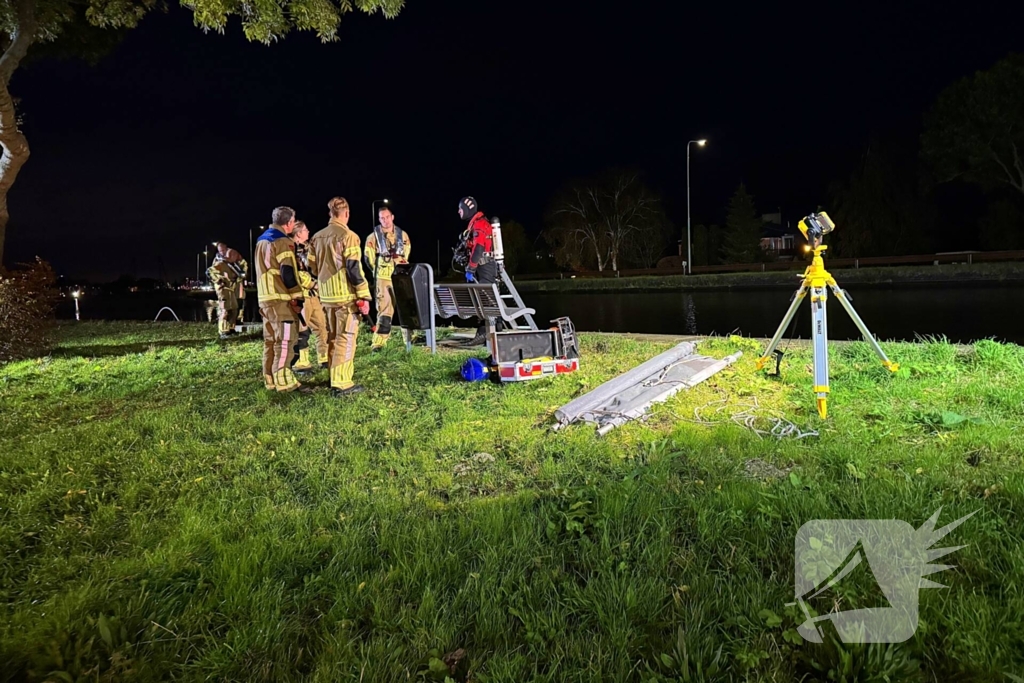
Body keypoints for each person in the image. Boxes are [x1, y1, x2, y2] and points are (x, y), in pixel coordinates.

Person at [308, 197, 372, 397]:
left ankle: (332, 376)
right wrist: (363, 295)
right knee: (347, 338)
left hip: (326, 297)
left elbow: (311, 268)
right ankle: (342, 383)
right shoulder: (349, 236)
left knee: (333, 338)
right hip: (346, 296)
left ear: (330, 214)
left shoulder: (316, 237)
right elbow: (354, 269)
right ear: (346, 213)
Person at [255, 206, 309, 393]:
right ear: (288, 223)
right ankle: (284, 381)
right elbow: (287, 272)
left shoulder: (262, 240)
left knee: (270, 340)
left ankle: (269, 378)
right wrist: (297, 296)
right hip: (280, 299)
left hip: (264, 298)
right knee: (286, 340)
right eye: (293, 221)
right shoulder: (283, 242)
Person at [364, 204, 411, 352]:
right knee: (384, 310)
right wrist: (378, 272)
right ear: (379, 219)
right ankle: (379, 342)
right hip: (383, 277)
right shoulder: (372, 237)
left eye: (387, 217)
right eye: (381, 218)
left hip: (400, 276)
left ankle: (410, 339)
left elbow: (407, 252)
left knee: (406, 308)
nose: (385, 220)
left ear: (392, 217)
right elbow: (368, 258)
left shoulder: (403, 235)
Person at [458, 196, 501, 343]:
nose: (458, 211)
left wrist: (471, 267)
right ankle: (493, 332)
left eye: (460, 209)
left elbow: (479, 247)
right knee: (484, 299)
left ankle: (486, 333)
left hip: (485, 265)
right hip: (482, 266)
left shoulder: (480, 224)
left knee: (486, 299)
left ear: (467, 209)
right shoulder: (475, 224)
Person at [292, 221, 330, 370]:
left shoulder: (307, 249)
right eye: (306, 230)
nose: (308, 232)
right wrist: (313, 284)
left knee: (321, 326)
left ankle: (324, 357)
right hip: (302, 295)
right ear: (299, 233)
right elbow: (298, 274)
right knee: (302, 329)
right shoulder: (292, 250)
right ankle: (302, 361)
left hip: (313, 295)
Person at [207, 254, 241, 339]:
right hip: (223, 290)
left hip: (230, 290)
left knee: (234, 309)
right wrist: (219, 281)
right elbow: (209, 272)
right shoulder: (219, 264)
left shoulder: (228, 265)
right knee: (225, 310)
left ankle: (231, 328)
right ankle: (223, 331)